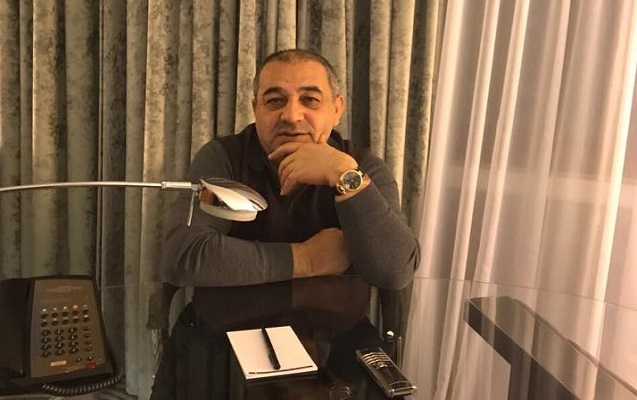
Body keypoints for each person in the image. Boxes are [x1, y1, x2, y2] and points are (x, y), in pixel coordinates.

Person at [151, 48, 420, 399]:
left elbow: (395, 270)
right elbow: (183, 256)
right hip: (226, 348)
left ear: (336, 109)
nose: (292, 116)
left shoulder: (362, 166)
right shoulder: (223, 159)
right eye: (275, 100)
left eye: (310, 99)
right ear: (256, 109)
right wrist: (306, 259)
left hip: (334, 351)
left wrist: (344, 176)